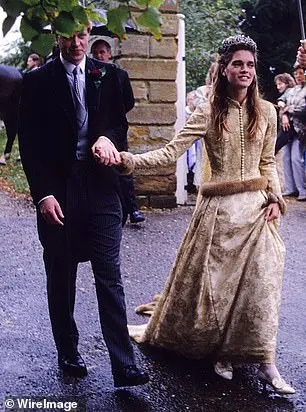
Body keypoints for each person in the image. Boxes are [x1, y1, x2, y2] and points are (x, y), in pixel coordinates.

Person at [120, 35, 295, 395]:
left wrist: (277, 198)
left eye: (249, 64)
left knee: (261, 284)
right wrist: (131, 162)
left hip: (257, 211)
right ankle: (222, 352)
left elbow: (266, 162)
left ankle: (265, 362)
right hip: (219, 214)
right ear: (225, 68)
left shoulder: (266, 111)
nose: (244, 70)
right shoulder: (208, 111)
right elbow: (171, 152)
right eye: (237, 64)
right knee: (217, 291)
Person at [18, 24, 149, 388]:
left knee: (109, 275)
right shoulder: (37, 81)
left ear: (90, 35)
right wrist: (42, 194)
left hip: (102, 185)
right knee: (62, 273)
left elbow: (117, 123)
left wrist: (106, 138)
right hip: (59, 189)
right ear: (56, 37)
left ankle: (124, 364)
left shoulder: (108, 75)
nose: (76, 44)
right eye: (68, 36)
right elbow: (30, 144)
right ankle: (68, 349)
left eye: (82, 36)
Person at [90, 38, 145, 224]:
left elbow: (128, 101)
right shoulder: (89, 74)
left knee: (122, 165)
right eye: (96, 52)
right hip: (94, 129)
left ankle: (133, 208)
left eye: (102, 52)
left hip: (115, 128)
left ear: (109, 53)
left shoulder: (120, 74)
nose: (99, 55)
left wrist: (115, 116)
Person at [278, 64, 306, 200]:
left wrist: (289, 109)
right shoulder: (292, 90)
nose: (298, 76)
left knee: (296, 159)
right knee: (286, 158)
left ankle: (302, 190)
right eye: (296, 74)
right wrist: (283, 111)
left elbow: (303, 109)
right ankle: (290, 188)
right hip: (287, 129)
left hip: (301, 130)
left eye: (301, 73)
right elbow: (281, 100)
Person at [274, 73, 296, 154]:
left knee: (276, 146)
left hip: (291, 125)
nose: (278, 87)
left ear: (287, 83)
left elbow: (282, 100)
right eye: (277, 85)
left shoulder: (290, 91)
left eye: (280, 84)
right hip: (291, 126)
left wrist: (281, 105)